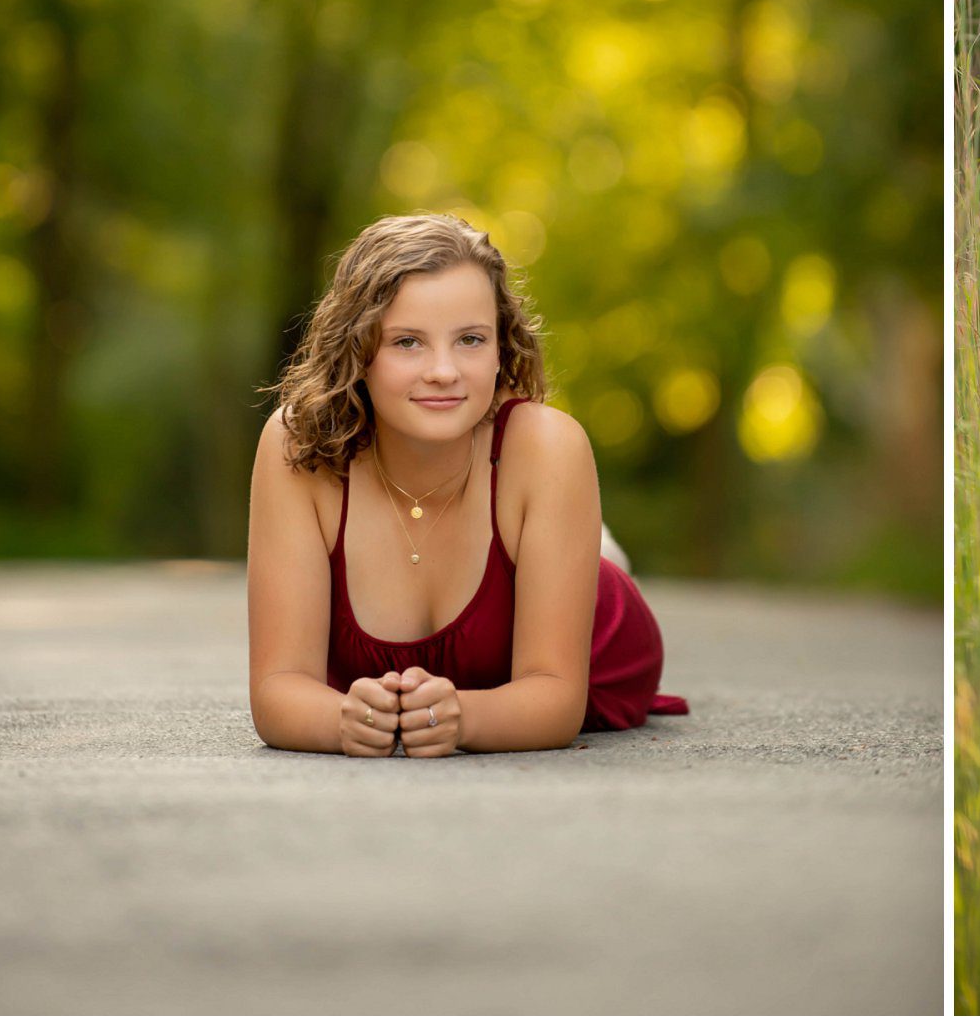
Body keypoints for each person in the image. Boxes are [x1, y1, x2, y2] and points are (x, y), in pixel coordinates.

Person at [247, 212, 686, 755]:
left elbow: (555, 700)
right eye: (408, 342)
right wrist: (340, 720)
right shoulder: (298, 446)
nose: (444, 371)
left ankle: (592, 549)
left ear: (502, 346)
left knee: (590, 564)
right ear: (356, 350)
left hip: (594, 643)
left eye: (471, 340)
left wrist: (466, 718)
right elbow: (278, 689)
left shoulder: (549, 446)